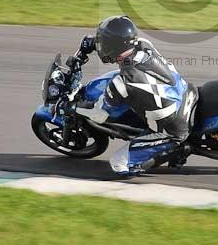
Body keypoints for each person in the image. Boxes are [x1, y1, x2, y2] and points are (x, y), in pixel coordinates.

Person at [73, 15, 198, 175]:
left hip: (174, 126)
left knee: (118, 164)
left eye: (103, 42)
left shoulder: (123, 82)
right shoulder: (144, 44)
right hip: (186, 93)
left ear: (113, 46)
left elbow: (99, 115)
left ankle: (176, 149)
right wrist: (91, 45)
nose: (101, 45)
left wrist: (76, 108)